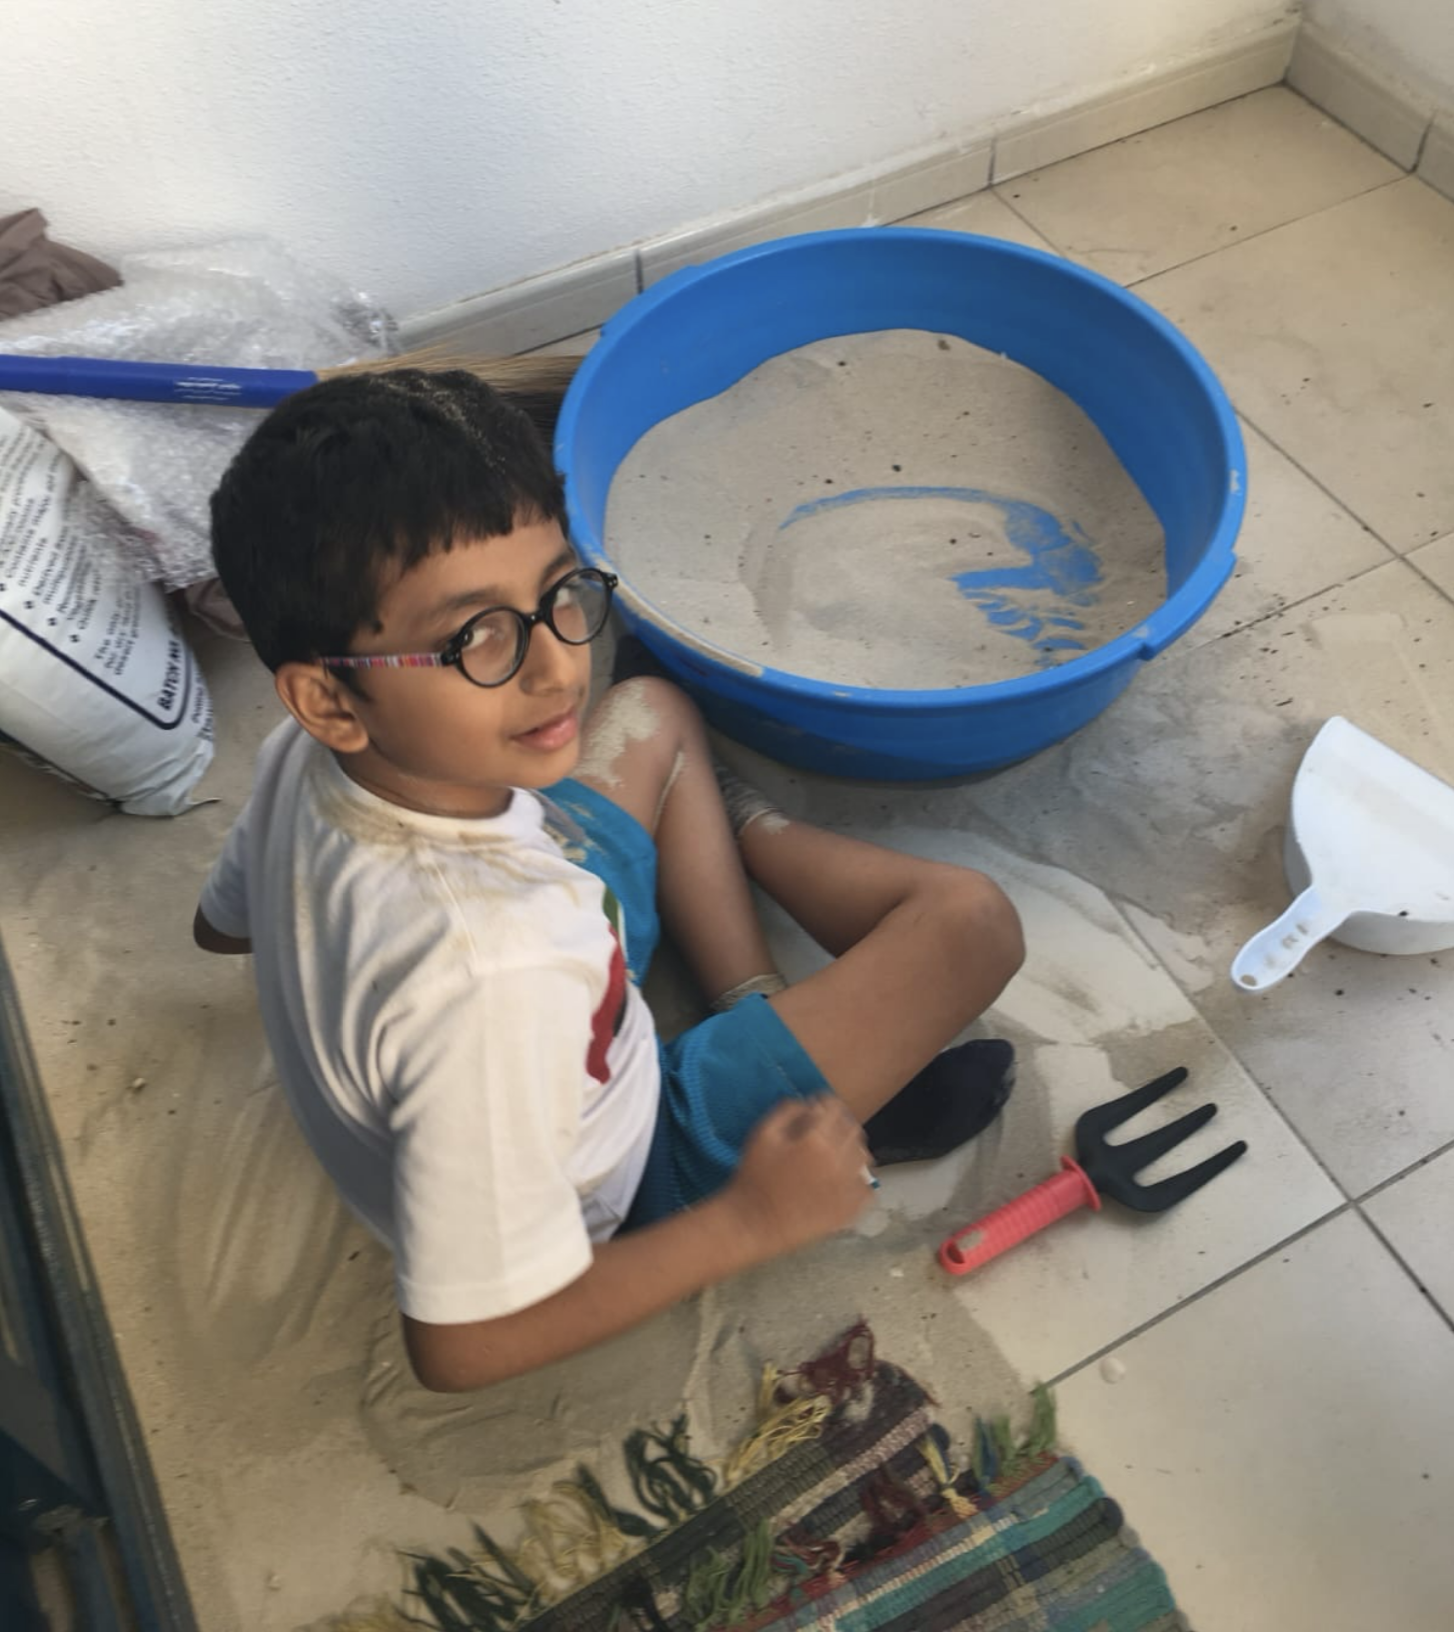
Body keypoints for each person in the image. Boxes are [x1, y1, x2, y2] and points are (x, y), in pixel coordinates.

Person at [195, 369, 1024, 1393]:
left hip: (532, 904)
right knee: (970, 923)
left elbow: (221, 927)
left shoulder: (301, 758)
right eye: (474, 637)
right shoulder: (495, 977)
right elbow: (461, 1346)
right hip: (628, 1173)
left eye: (554, 594)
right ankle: (795, 1103)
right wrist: (750, 1218)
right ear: (329, 698)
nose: (554, 667)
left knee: (652, 711)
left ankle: (757, 1005)